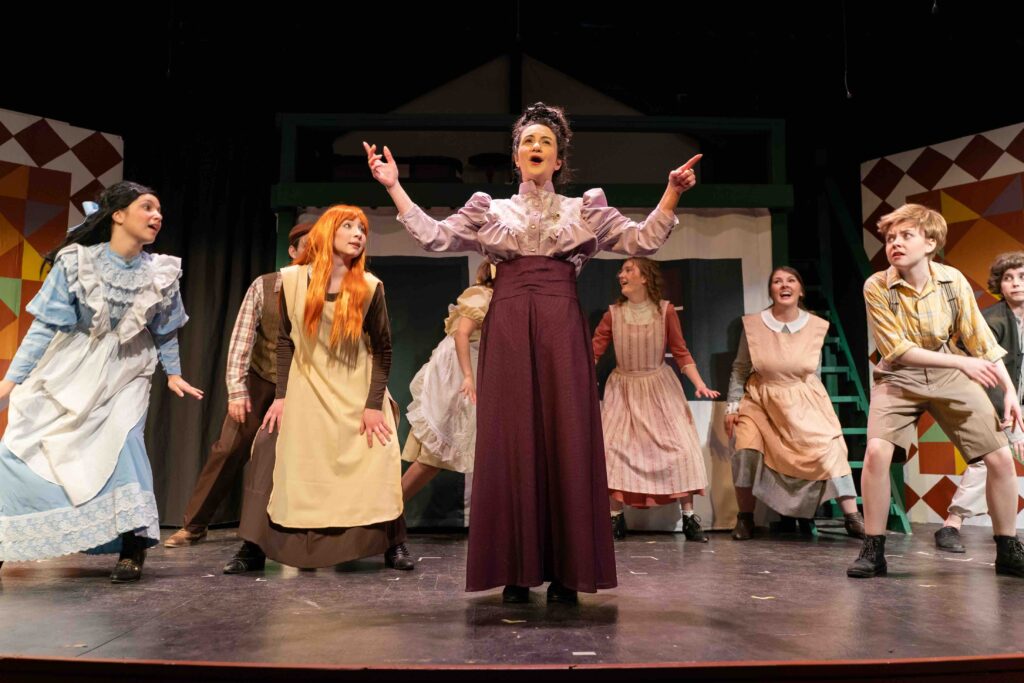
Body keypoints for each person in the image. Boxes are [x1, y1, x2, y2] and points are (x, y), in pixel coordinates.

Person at [365, 101, 700, 603]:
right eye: (528, 141)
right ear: (516, 157)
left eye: (546, 141)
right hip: (507, 326)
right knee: (511, 438)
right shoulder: (491, 210)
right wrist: (394, 186)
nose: (536, 146)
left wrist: (671, 192)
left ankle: (568, 572)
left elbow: (642, 240)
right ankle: (515, 570)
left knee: (566, 435)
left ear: (559, 159)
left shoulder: (584, 208)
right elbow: (436, 237)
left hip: (560, 324)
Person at [0, 181, 202, 583]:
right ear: (118, 215)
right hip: (70, 364)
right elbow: (44, 327)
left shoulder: (160, 272)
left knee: (123, 443)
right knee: (23, 445)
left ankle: (133, 544)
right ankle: (7, 541)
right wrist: (11, 381)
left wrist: (174, 372)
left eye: (159, 209)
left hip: (127, 368)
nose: (157, 216)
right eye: (147, 207)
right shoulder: (77, 263)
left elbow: (165, 330)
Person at [224, 205, 413, 574]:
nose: (358, 234)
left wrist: (373, 405)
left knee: (379, 450)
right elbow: (285, 341)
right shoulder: (291, 281)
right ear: (328, 232)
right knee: (269, 448)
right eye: (349, 226)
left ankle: (393, 542)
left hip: (357, 388)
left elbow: (383, 349)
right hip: (306, 386)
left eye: (362, 228)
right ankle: (253, 546)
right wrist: (281, 397)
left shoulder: (370, 287)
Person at [848, 204, 1024, 578]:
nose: (895, 243)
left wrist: (1009, 391)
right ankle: (873, 549)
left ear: (930, 243)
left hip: (948, 375)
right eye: (890, 238)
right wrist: (961, 364)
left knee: (1000, 458)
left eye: (905, 236)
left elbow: (979, 340)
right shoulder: (877, 285)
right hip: (898, 377)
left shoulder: (951, 280)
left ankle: (1008, 548)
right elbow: (896, 350)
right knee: (877, 453)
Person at [164, 223, 312, 547]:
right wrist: (237, 390)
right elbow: (241, 341)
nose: (314, 253)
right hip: (262, 379)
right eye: (307, 246)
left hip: (306, 386)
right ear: (292, 251)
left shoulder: (329, 290)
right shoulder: (266, 286)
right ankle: (195, 525)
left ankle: (305, 529)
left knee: (304, 455)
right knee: (229, 448)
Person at [724, 267, 864, 540]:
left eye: (791, 281)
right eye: (777, 281)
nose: (784, 285)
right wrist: (732, 406)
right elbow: (740, 369)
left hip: (802, 398)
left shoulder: (815, 326)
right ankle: (745, 518)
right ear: (771, 291)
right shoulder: (754, 326)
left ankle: (852, 516)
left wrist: (814, 407)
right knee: (745, 447)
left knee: (832, 447)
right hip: (760, 400)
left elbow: (814, 372)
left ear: (801, 291)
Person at [592, 257, 717, 542]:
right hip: (623, 388)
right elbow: (593, 351)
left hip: (659, 387)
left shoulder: (665, 311)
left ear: (645, 277)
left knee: (681, 448)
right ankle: (615, 518)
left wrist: (699, 384)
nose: (621, 274)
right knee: (614, 449)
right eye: (621, 270)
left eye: (628, 270)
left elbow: (681, 352)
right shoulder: (614, 314)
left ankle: (689, 518)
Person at [934, 252, 1024, 553]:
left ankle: (953, 524)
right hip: (995, 401)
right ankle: (952, 524)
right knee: (991, 459)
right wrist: (1006, 419)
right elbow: (983, 371)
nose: (1016, 283)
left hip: (1018, 401)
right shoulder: (992, 320)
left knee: (992, 461)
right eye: (1008, 278)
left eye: (1022, 277)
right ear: (999, 285)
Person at [401, 261, 495, 502]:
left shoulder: (501, 300)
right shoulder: (482, 296)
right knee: (432, 456)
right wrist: (468, 376)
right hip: (454, 376)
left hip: (475, 373)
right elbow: (461, 334)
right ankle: (389, 513)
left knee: (436, 459)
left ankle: (391, 513)